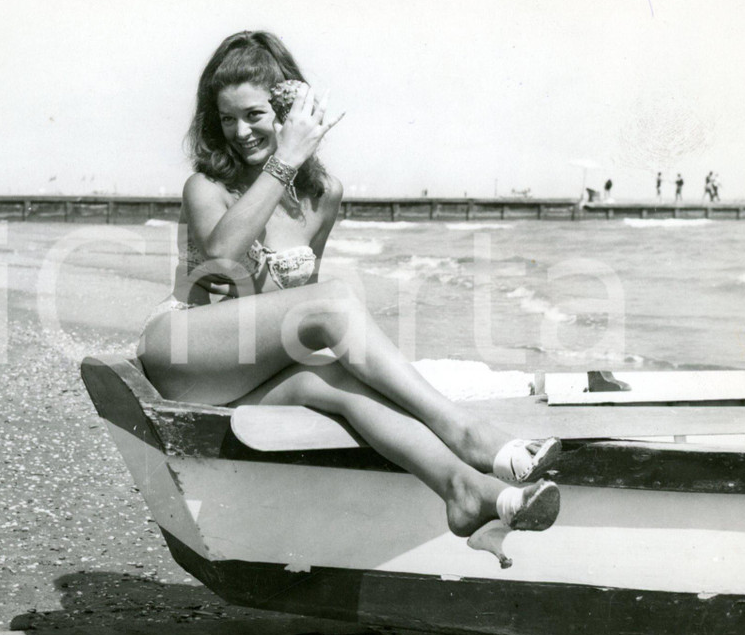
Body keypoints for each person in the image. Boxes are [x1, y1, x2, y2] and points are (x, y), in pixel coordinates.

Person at [136, 31, 561, 546]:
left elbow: (292, 315)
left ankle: (468, 493)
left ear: (290, 112)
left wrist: (357, 373)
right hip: (183, 354)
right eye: (228, 119)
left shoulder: (324, 195)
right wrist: (283, 161)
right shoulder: (207, 187)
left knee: (343, 384)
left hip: (245, 371)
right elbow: (222, 261)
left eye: (254, 115)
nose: (241, 132)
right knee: (333, 301)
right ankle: (467, 432)